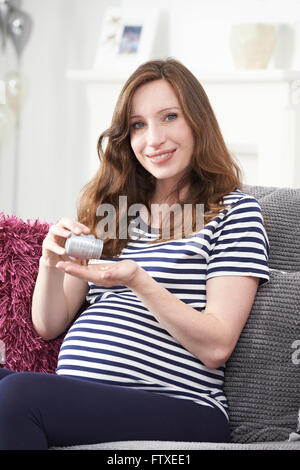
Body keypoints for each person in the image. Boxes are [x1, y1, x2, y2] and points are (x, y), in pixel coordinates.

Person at [0, 58, 269, 450]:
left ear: (197, 121)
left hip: (183, 407)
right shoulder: (115, 213)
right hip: (83, 397)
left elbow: (216, 345)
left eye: (169, 117)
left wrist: (136, 280)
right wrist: (50, 262)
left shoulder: (234, 213)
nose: (153, 139)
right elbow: (49, 324)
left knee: (18, 397)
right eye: (138, 125)